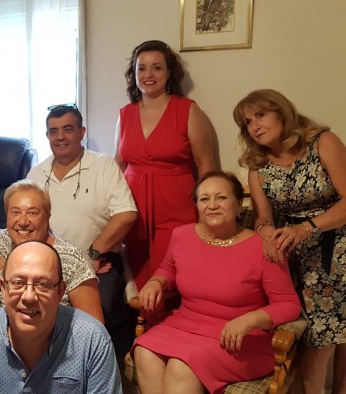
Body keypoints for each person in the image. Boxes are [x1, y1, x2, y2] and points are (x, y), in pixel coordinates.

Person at [133, 172, 300, 394]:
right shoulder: (182, 235)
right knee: (144, 352)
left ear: (239, 204)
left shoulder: (263, 246)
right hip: (184, 324)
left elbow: (288, 304)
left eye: (221, 198)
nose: (212, 205)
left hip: (239, 338)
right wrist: (155, 281)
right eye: (204, 199)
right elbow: (168, 269)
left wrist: (250, 320)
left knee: (181, 366)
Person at [234, 89, 346, 394]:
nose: (253, 125)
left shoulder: (323, 142)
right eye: (246, 122)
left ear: (282, 112)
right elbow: (262, 218)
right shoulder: (257, 165)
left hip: (338, 243)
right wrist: (266, 232)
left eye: (260, 115)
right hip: (293, 251)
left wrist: (306, 229)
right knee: (316, 334)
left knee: (331, 333)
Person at [27, 104, 137, 363]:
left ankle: (94, 368)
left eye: (68, 129)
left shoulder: (103, 166)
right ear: (47, 136)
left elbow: (126, 214)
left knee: (97, 313)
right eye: (53, 131)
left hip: (98, 261)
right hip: (47, 261)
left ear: (81, 132)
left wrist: (92, 255)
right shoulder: (36, 173)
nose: (60, 137)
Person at [0, 240, 122, 393]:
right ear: (3, 288)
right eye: (17, 283)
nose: (28, 296)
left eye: (42, 284)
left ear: (60, 291)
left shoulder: (92, 340)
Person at [114, 39, 220, 290]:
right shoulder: (124, 114)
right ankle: (144, 328)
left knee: (172, 278)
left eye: (157, 68)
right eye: (141, 68)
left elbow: (206, 166)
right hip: (134, 209)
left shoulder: (188, 111)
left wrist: (208, 213)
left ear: (170, 72)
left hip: (176, 205)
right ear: (134, 74)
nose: (148, 75)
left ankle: (167, 328)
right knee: (138, 281)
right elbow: (118, 166)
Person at [0, 179, 104, 322]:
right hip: (1, 332)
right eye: (15, 212)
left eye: (32, 213)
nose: (22, 222)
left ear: (47, 216)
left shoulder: (72, 260)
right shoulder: (3, 239)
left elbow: (95, 326)